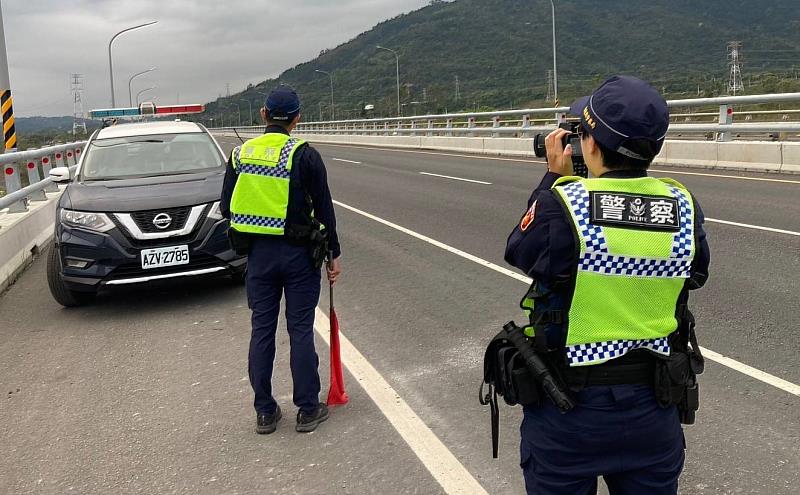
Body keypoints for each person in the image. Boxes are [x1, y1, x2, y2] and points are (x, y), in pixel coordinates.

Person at [505, 76, 710, 494]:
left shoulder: (564, 203)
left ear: (591, 145)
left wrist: (552, 180)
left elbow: (521, 252)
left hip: (570, 408)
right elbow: (697, 274)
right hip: (654, 406)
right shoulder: (683, 204)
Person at [220, 86, 342, 434]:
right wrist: (333, 254)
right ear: (297, 117)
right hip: (300, 256)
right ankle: (307, 408)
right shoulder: (304, 155)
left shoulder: (240, 155)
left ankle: (265, 412)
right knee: (300, 329)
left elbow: (227, 205)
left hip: (258, 257)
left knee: (262, 330)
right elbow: (325, 209)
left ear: (263, 114)